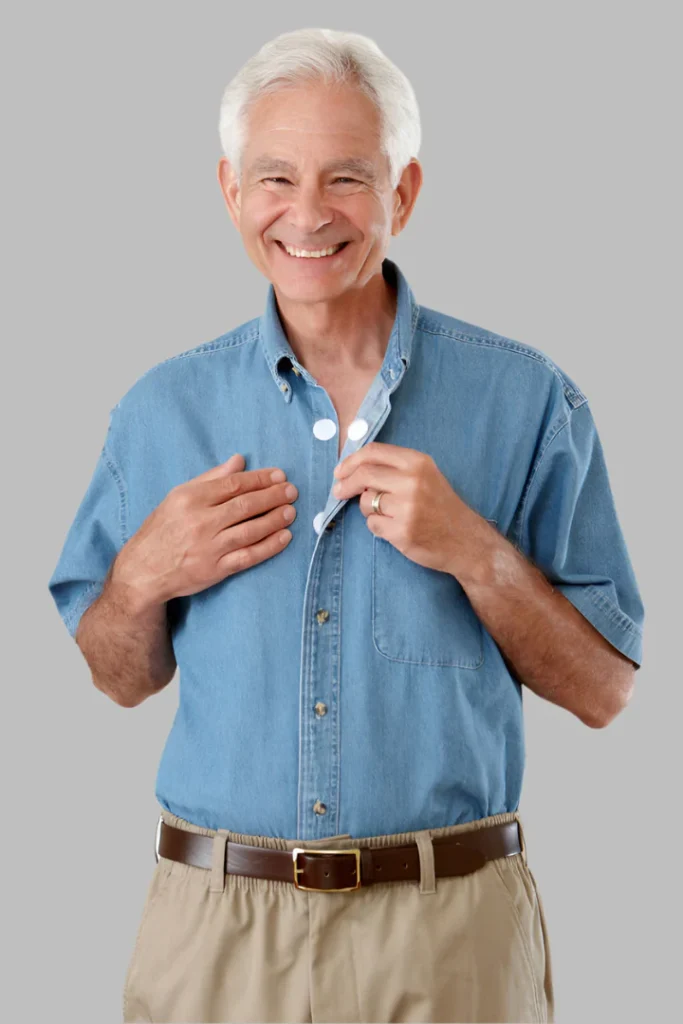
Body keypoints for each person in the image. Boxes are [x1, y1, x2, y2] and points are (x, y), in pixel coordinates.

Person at [47, 26, 645, 1024]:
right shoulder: (159, 411)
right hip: (216, 933)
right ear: (231, 191)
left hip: (449, 929)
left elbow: (604, 690)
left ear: (403, 193)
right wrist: (140, 578)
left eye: (347, 179)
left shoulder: (526, 400)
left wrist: (475, 553)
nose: (307, 214)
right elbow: (117, 675)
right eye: (274, 177)